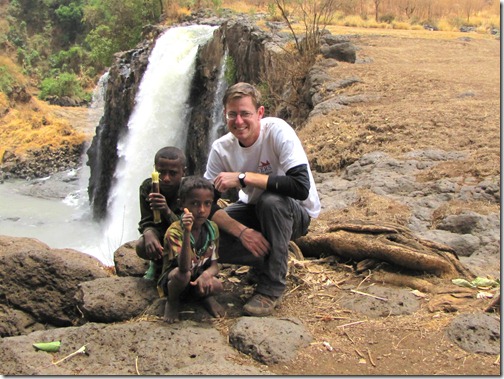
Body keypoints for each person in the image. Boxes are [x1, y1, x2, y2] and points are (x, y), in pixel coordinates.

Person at [204, 82, 321, 317]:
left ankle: (271, 287)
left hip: (294, 212)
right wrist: (241, 232)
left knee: (272, 201)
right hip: (252, 209)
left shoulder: (277, 131)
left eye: (245, 113)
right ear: (224, 115)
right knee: (205, 231)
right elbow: (203, 204)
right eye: (232, 114)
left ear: (260, 113)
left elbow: (300, 186)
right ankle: (267, 258)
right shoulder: (221, 148)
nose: (238, 121)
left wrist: (243, 177)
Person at [157, 176, 224, 323]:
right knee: (183, 275)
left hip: (197, 277)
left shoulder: (212, 228)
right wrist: (187, 232)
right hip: (175, 280)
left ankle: (204, 297)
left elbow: (214, 266)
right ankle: (172, 302)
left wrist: (206, 275)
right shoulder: (175, 231)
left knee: (218, 286)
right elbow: (184, 267)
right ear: (182, 205)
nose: (201, 210)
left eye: (207, 204)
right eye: (194, 204)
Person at [135, 146, 186, 280]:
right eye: (161, 172)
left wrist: (166, 210)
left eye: (173, 173)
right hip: (161, 232)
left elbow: (188, 227)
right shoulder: (148, 188)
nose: (166, 178)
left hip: (184, 238)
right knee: (142, 246)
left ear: (183, 172)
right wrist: (148, 232)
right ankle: (156, 263)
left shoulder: (190, 190)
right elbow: (146, 220)